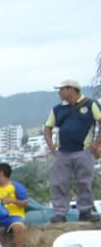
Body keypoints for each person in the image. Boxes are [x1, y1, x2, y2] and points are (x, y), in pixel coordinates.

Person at [45, 78, 101, 221]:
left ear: (71, 89)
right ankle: (60, 213)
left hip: (84, 151)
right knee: (59, 183)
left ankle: (85, 211)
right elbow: (48, 127)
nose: (59, 92)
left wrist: (96, 143)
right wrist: (51, 145)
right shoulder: (57, 109)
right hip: (62, 152)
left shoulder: (90, 104)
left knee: (84, 182)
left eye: (62, 89)